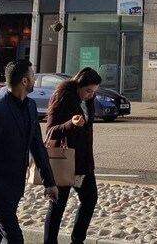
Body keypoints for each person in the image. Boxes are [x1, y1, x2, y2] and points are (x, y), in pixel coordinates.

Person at [0, 60, 59, 244]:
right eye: (32, 75)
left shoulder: (31, 106)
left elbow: (37, 146)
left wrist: (49, 182)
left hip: (15, 189)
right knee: (15, 239)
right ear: (24, 81)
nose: (34, 79)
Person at [44, 67, 102, 244]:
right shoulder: (61, 97)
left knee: (90, 199)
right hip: (64, 160)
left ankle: (77, 241)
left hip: (84, 162)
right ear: (79, 85)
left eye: (94, 92)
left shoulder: (89, 101)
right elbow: (50, 132)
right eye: (88, 91)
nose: (91, 95)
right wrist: (71, 124)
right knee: (57, 205)